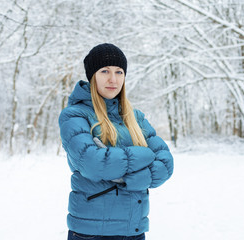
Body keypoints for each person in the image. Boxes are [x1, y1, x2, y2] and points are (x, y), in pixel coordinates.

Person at [59, 43, 174, 240]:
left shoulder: (135, 118)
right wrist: (144, 155)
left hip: (133, 231)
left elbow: (165, 164)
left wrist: (127, 177)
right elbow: (93, 163)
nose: (113, 79)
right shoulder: (75, 115)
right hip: (92, 233)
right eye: (105, 71)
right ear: (92, 75)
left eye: (119, 72)